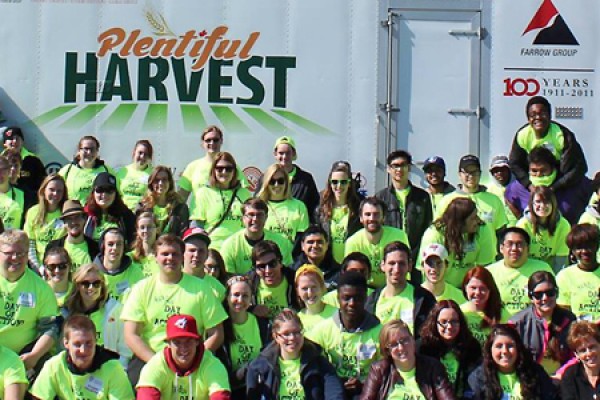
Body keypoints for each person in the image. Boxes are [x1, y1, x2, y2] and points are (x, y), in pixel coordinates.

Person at [121, 234, 228, 385]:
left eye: (175, 254)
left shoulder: (202, 288)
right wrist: (157, 364)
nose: (170, 258)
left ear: (183, 256)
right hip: (149, 359)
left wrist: (193, 359)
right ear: (156, 257)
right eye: (165, 254)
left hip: (191, 361)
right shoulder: (141, 288)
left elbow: (216, 334)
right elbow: (131, 334)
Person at [306, 271, 382, 398]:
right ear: (338, 298)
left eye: (357, 298)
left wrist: (364, 384)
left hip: (368, 392)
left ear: (365, 297)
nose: (352, 303)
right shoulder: (323, 330)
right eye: (346, 298)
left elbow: (386, 373)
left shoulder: (379, 331)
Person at [247, 308, 344, 400]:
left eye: (297, 332)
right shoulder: (259, 367)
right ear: (276, 336)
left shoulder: (319, 362)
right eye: (286, 334)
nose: (292, 338)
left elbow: (335, 393)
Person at [0, 230, 59, 378]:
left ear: (27, 255)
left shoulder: (41, 288)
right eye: (9, 253)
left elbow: (51, 328)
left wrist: (34, 355)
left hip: (23, 358)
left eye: (20, 253)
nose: (15, 258)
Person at [30, 315, 133, 399]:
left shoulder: (113, 368)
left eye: (88, 343)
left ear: (96, 340)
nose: (83, 350)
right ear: (65, 343)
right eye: (77, 344)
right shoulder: (54, 366)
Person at [136, 314, 232, 400]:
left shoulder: (212, 365)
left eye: (188, 341)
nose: (183, 348)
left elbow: (221, 397)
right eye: (177, 342)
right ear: (168, 344)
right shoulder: (155, 366)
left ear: (197, 342)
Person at [361, 319, 456, 400]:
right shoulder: (378, 370)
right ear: (387, 350)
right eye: (394, 344)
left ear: (412, 340)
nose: (401, 347)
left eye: (405, 340)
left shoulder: (433, 367)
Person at [509, 95, 587, 191]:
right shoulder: (522, 135)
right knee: (512, 191)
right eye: (533, 115)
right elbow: (514, 163)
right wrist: (529, 185)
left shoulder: (562, 135)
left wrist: (554, 188)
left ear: (550, 116)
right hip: (533, 183)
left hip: (561, 182)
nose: (538, 117)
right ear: (528, 119)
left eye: (543, 113)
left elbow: (580, 167)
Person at [417, 197, 496, 288]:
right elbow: (427, 272)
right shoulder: (434, 235)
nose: (478, 221)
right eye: (473, 218)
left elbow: (485, 268)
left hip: (469, 289)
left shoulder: (482, 229)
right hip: (440, 289)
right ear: (460, 222)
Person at [509, 271, 575, 376]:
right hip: (530, 379)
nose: (545, 298)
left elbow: (575, 356)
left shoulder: (569, 319)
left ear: (557, 293)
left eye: (550, 293)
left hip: (562, 378)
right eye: (538, 295)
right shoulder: (517, 323)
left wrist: (560, 375)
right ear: (531, 297)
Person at [467, 324, 557, 400]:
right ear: (490, 350)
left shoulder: (535, 372)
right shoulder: (478, 377)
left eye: (510, 345)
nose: (505, 351)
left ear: (518, 348)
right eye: (499, 346)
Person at [505, 146, 592, 224]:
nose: (539, 174)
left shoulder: (577, 184)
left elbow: (594, 192)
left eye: (543, 170)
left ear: (553, 168)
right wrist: (520, 217)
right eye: (534, 171)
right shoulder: (517, 187)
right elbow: (508, 198)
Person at [364, 241, 436, 336]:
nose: (397, 269)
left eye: (401, 263)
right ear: (382, 266)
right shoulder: (372, 301)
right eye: (391, 263)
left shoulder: (424, 299)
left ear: (409, 266)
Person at [64, 263, 130, 366]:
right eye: (86, 283)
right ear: (77, 286)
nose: (91, 288)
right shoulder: (66, 312)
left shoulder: (115, 310)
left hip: (109, 369)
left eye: (96, 283)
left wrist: (118, 371)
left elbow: (125, 350)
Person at [219, 275, 270, 398]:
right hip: (234, 389)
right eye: (236, 295)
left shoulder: (263, 325)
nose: (240, 300)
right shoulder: (220, 328)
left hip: (260, 388)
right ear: (227, 297)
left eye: (245, 295)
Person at [376, 150, 433, 259]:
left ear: (409, 168)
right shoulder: (380, 197)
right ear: (388, 169)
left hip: (416, 256)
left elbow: (428, 227)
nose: (399, 169)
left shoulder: (422, 197)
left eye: (403, 165)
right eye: (395, 166)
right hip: (390, 256)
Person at [419, 300, 481, 398]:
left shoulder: (471, 347)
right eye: (444, 322)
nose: (449, 327)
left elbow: (475, 383)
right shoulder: (423, 348)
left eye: (454, 321)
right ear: (435, 323)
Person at [487, 227, 554, 316]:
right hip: (500, 327)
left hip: (533, 325)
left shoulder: (542, 269)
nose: (514, 248)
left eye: (519, 244)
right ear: (501, 248)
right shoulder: (489, 272)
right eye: (509, 244)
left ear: (528, 248)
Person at [344, 196, 410, 288]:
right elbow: (350, 277)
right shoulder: (352, 242)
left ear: (383, 217)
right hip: (365, 290)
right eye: (367, 214)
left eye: (376, 214)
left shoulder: (399, 236)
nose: (372, 218)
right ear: (361, 218)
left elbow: (405, 271)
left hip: (394, 287)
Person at [178, 125, 246, 212]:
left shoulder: (232, 167)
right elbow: (182, 197)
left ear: (221, 141)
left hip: (224, 219)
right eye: (208, 140)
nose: (212, 143)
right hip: (198, 219)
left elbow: (244, 196)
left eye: (215, 140)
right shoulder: (193, 166)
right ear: (202, 143)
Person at [190, 152, 251, 249]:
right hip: (213, 248)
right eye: (219, 168)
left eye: (228, 169)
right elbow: (197, 226)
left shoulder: (244, 193)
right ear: (213, 171)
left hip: (240, 248)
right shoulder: (203, 193)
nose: (224, 172)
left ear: (235, 171)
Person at [436, 154, 507, 232]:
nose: (471, 176)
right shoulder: (446, 201)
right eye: (467, 172)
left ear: (480, 174)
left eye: (474, 172)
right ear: (459, 174)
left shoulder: (494, 200)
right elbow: (439, 229)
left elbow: (501, 232)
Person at [220, 198, 292, 275]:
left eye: (259, 215)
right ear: (243, 218)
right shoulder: (230, 245)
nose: (255, 219)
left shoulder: (281, 242)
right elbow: (229, 278)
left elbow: (285, 273)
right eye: (251, 215)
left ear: (266, 217)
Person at [315, 160, 362, 263]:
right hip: (328, 264)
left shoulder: (358, 207)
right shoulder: (321, 208)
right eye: (335, 182)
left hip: (351, 263)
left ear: (349, 183)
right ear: (330, 183)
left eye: (343, 182)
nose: (339, 186)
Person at [516, 186, 570, 272]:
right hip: (528, 270)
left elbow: (561, 259)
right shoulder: (522, 225)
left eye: (547, 202)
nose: (542, 206)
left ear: (553, 204)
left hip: (552, 271)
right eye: (538, 202)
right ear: (531, 204)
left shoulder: (563, 225)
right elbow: (519, 257)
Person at [257, 163, 310, 247]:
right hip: (266, 257)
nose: (276, 185)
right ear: (266, 183)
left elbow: (302, 238)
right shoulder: (259, 206)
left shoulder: (299, 206)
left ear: (287, 182)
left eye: (280, 181)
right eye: (272, 181)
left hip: (291, 257)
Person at [24, 174, 68, 273]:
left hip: (60, 268)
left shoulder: (66, 213)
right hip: (38, 267)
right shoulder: (33, 212)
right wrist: (38, 268)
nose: (55, 193)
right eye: (51, 189)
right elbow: (30, 244)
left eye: (59, 191)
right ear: (44, 190)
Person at [270, 136, 320, 223]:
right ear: (275, 154)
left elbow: (315, 207)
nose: (284, 157)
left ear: (293, 154)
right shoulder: (267, 178)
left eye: (288, 153)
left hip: (299, 231)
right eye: (281, 153)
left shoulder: (306, 179)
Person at [557, 223, 600, 321]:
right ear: (572, 251)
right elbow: (563, 313)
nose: (584, 251)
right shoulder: (565, 276)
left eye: (589, 246)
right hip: (577, 332)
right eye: (579, 247)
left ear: (597, 246)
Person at [247, 240, 298, 319]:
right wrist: (252, 309)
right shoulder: (249, 283)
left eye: (272, 264)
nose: (268, 270)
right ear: (255, 269)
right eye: (262, 266)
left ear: (280, 263)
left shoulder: (295, 280)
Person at [460, 266, 510, 346]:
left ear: (490, 290)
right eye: (473, 288)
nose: (477, 293)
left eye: (482, 288)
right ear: (465, 288)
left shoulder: (502, 315)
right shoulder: (460, 312)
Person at [92, 227, 144, 303]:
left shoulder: (136, 273)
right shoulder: (92, 273)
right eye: (110, 244)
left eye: (119, 244)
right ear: (103, 246)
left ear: (124, 247)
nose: (115, 248)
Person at [46, 200, 99, 272]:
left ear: (85, 219)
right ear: (64, 222)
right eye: (69, 219)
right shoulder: (52, 247)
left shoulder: (96, 248)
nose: (74, 222)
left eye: (77, 217)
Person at [59, 135, 114, 204]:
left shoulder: (107, 170)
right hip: (74, 213)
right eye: (85, 149)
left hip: (97, 214)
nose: (89, 152)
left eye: (92, 149)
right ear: (79, 150)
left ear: (97, 151)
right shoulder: (67, 171)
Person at [137, 165, 189, 237]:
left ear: (170, 183)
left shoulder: (180, 207)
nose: (160, 183)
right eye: (157, 180)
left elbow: (183, 235)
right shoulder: (142, 207)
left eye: (164, 179)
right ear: (151, 183)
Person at [83, 172, 136, 243]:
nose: (104, 195)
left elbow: (132, 242)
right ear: (93, 193)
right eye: (100, 190)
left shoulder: (125, 216)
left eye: (109, 190)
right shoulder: (84, 215)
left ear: (116, 194)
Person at [182, 227, 226, 300]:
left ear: (207, 254)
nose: (196, 255)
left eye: (201, 251)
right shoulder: (172, 281)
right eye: (192, 250)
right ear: (183, 252)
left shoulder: (218, 289)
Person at [291, 225, 340, 290]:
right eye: (310, 242)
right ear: (302, 245)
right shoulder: (292, 272)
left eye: (319, 242)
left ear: (327, 245)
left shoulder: (339, 272)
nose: (315, 246)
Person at [560, 321, 600, 399]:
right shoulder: (570, 376)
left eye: (592, 347)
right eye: (582, 350)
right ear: (576, 354)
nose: (589, 353)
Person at [295, 264, 337, 335]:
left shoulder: (336, 314)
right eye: (304, 288)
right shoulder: (296, 321)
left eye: (314, 287)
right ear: (297, 291)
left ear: (322, 287)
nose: (310, 293)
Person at [2, 126, 46, 194]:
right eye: (11, 138)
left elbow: (43, 184)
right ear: (4, 143)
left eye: (17, 138)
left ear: (22, 141)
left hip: (28, 202)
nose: (14, 141)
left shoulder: (33, 160)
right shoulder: (1, 161)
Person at [116, 139, 153, 210]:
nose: (142, 156)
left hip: (142, 214)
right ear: (134, 153)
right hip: (123, 212)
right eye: (140, 153)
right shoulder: (123, 171)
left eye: (146, 154)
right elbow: (116, 194)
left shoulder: (153, 174)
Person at [486, 155, 518, 226]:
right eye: (496, 170)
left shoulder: (520, 187)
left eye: (503, 169)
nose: (500, 173)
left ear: (509, 170)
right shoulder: (488, 191)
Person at [129, 211, 159, 277]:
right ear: (137, 230)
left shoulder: (162, 256)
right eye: (142, 227)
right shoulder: (130, 257)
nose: (145, 230)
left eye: (149, 227)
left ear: (157, 229)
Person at [0, 155, 23, 229]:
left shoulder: (23, 195)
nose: (0, 173)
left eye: (3, 169)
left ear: (9, 170)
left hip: (14, 239)